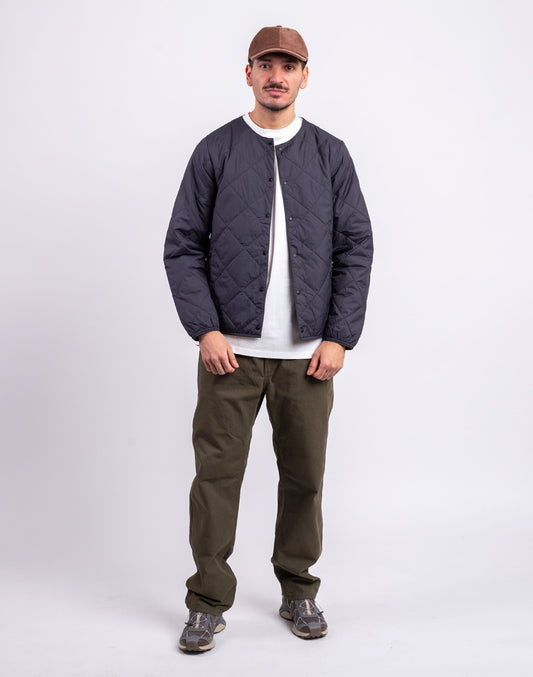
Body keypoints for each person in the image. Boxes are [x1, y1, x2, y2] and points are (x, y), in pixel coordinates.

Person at [163, 24, 373, 652]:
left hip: (308, 358)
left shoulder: (330, 154)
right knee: (216, 479)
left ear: (305, 76)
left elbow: (355, 247)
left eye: (289, 66)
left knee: (305, 478)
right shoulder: (216, 150)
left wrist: (339, 337)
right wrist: (205, 329)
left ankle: (298, 588)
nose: (277, 76)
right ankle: (206, 602)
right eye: (266, 64)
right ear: (249, 72)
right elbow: (182, 246)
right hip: (229, 355)